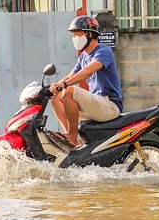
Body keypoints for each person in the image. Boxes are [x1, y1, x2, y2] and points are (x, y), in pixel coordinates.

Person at [50, 15, 122, 148]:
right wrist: (51, 88)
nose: (74, 38)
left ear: (89, 34)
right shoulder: (83, 56)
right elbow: (70, 76)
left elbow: (87, 71)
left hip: (109, 104)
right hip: (96, 103)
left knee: (69, 90)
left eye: (77, 34)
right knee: (55, 98)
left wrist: (64, 85)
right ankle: (73, 141)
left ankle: (71, 137)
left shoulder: (103, 51)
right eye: (73, 35)